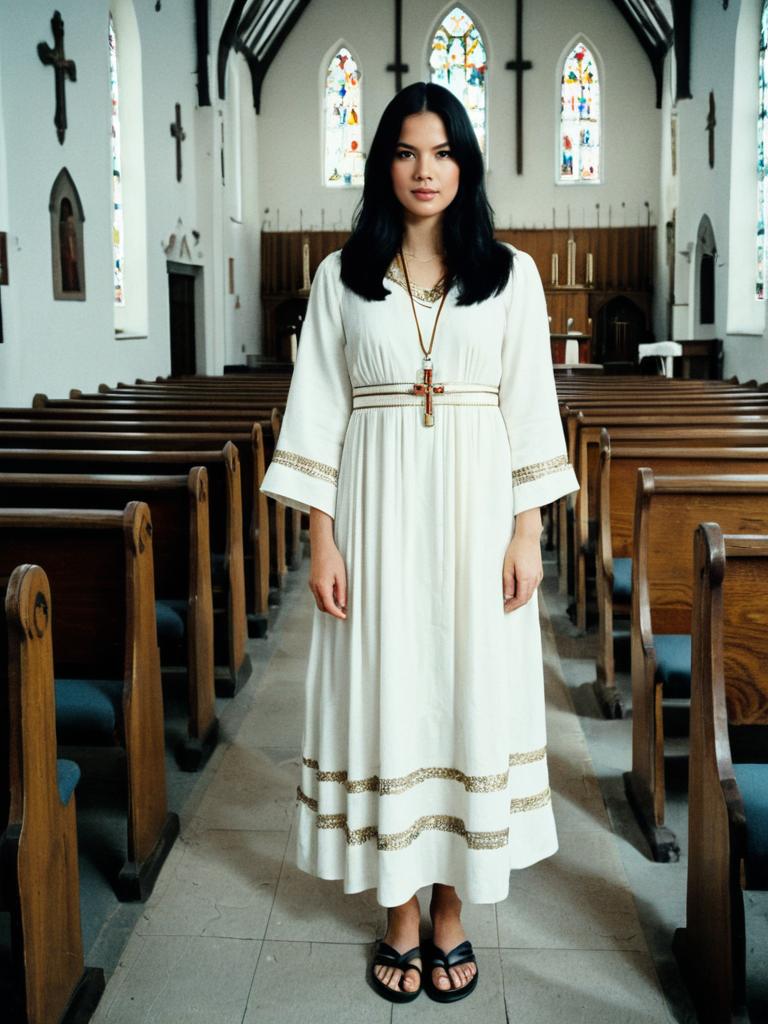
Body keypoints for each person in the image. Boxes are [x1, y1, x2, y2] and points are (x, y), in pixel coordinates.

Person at [259, 81, 579, 1005]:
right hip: (375, 516)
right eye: (406, 151)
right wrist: (322, 541)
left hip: (480, 520)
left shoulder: (512, 274)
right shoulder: (340, 276)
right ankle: (399, 910)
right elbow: (315, 414)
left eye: (441, 152)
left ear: (465, 163)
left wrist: (529, 532)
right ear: (383, 165)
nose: (424, 169)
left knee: (467, 698)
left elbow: (531, 410)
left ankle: (452, 910)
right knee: (391, 698)